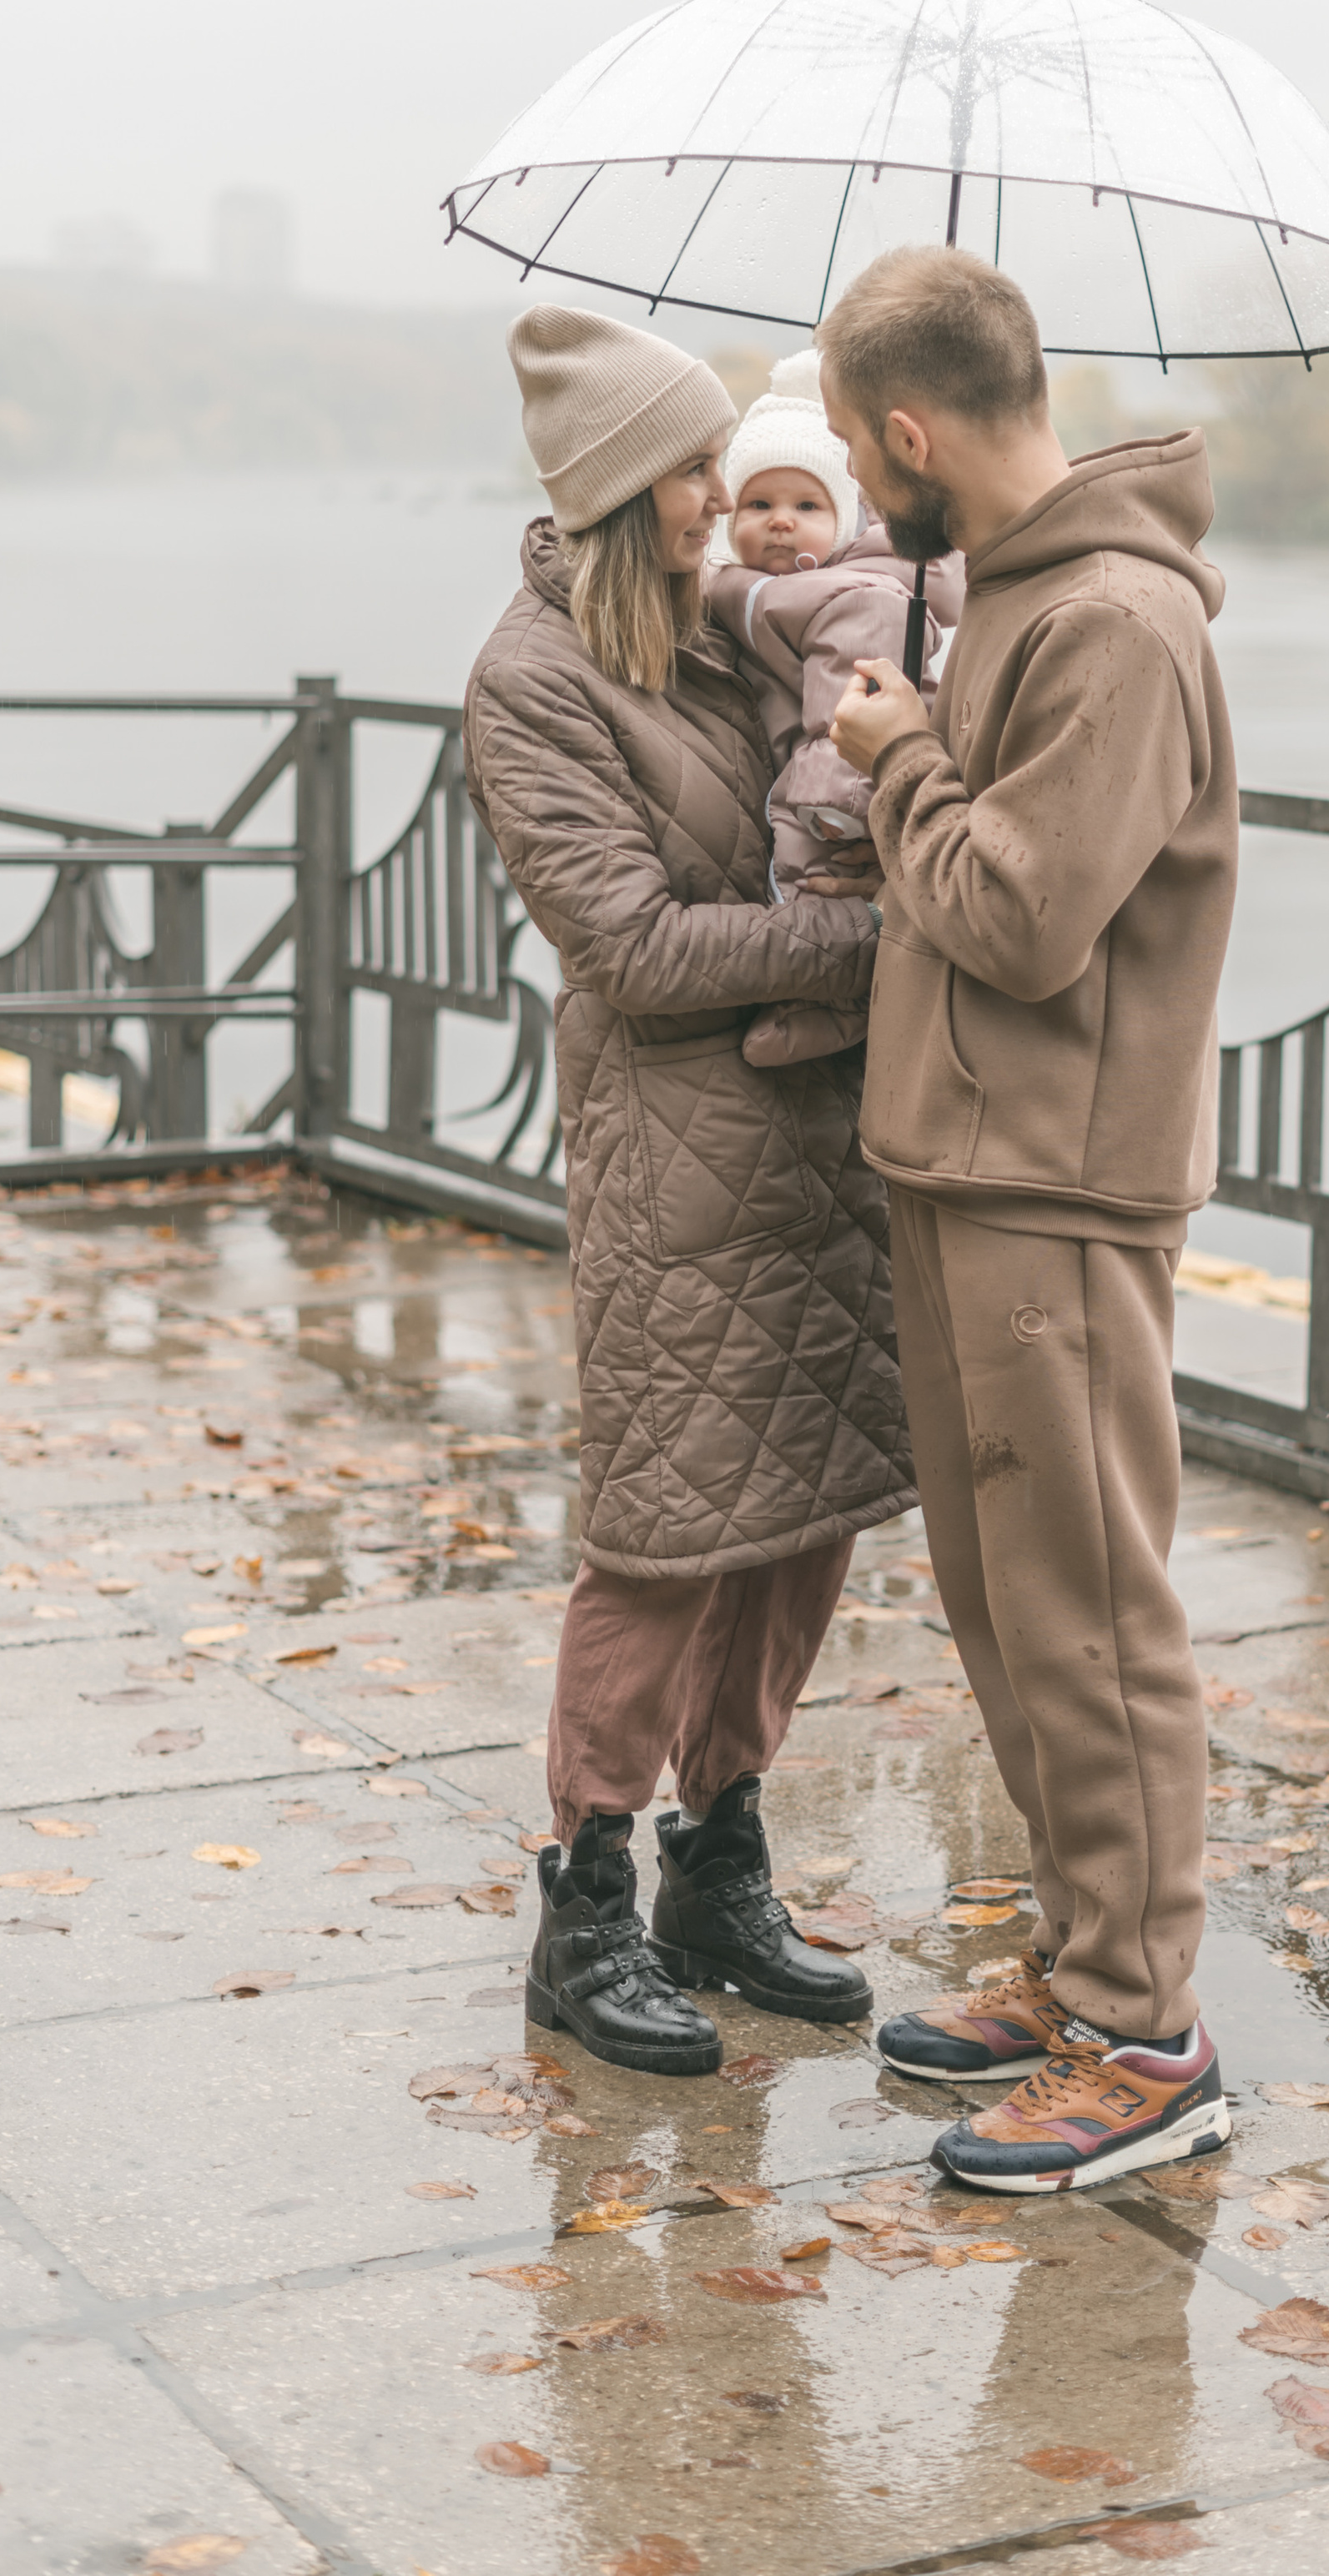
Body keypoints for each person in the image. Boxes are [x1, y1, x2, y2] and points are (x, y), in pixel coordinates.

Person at [818, 244, 1239, 2192]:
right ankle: (1080, 1973)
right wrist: (919, 733)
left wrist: (896, 752)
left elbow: (1015, 912)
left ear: (907, 430)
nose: (850, 474)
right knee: (1004, 1605)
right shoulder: (1008, 596)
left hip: (1056, 1181)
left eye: (849, 444)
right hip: (963, 1157)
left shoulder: (1116, 625)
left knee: (1090, 1612)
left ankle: (1149, 2033)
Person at [462, 303, 915, 2078]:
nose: (725, 494)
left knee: (801, 1516)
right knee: (662, 1535)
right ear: (619, 487)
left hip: (819, 1139)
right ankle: (582, 1906)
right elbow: (632, 946)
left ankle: (714, 1867)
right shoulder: (534, 677)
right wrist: (872, 941)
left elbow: (842, 760)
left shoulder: (731, 631)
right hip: (677, 1158)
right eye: (695, 469)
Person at [707, 348, 962, 1068]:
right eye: (759, 505)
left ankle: (829, 1008)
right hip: (818, 772)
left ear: (844, 521)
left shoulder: (857, 596)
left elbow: (843, 705)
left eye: (806, 506)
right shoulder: (754, 587)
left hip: (841, 782)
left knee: (807, 875)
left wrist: (830, 799)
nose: (781, 523)